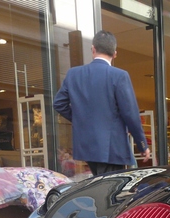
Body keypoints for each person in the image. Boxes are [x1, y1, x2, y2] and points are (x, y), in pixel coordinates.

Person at [53, 30, 150, 176]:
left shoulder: (74, 74)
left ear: (93, 49)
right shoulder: (119, 76)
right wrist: (142, 145)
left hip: (86, 146)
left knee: (98, 188)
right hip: (112, 148)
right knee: (111, 192)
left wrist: (81, 119)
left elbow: (59, 103)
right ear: (115, 54)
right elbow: (130, 114)